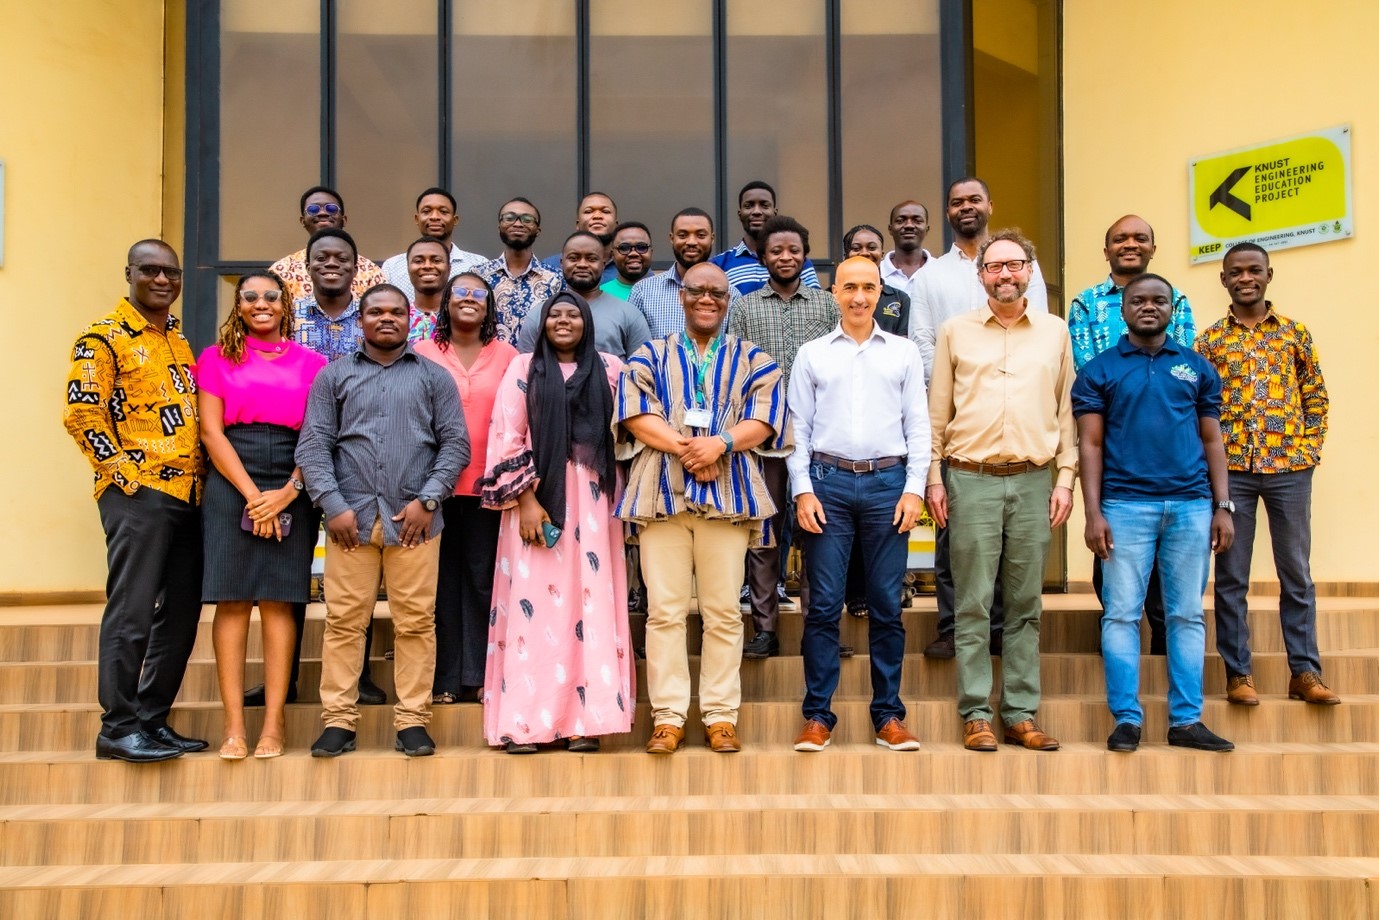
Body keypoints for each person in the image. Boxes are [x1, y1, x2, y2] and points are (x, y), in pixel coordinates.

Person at [615, 263, 791, 755]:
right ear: (683, 297)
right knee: (664, 611)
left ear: (728, 299)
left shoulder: (755, 358)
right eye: (698, 291)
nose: (707, 298)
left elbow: (767, 417)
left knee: (722, 613)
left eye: (717, 291)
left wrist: (722, 444)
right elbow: (632, 412)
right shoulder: (649, 354)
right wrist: (692, 449)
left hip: (730, 496)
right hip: (661, 498)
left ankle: (720, 715)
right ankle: (668, 717)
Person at [295, 284, 469, 758]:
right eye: (376, 312)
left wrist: (428, 500)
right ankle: (338, 721)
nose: (386, 318)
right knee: (345, 623)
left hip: (416, 523)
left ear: (410, 318)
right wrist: (333, 505)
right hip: (349, 524)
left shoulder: (433, 377)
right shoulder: (334, 377)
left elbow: (455, 446)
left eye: (396, 311)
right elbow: (313, 446)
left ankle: (412, 719)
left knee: (415, 622)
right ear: (362, 320)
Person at [926, 229, 1076, 753]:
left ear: (1029, 271)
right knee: (971, 603)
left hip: (1036, 482)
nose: (1005, 274)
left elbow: (1066, 412)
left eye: (1015, 265)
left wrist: (1066, 478)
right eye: (995, 267)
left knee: (1024, 605)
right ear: (981, 274)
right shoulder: (954, 331)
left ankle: (1018, 712)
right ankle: (975, 713)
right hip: (970, 480)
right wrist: (931, 477)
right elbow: (936, 414)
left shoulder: (1056, 332)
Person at [1073, 273, 1236, 753]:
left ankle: (1186, 721)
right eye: (1138, 301)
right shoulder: (1099, 371)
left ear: (1172, 309)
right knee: (1121, 616)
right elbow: (1090, 443)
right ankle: (1127, 718)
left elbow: (1212, 439)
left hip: (1190, 506)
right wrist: (1093, 512)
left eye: (1158, 300)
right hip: (1124, 508)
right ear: (1122, 311)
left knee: (1186, 615)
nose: (1149, 307)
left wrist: (1222, 506)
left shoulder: (1197, 368)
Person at [63, 240, 206, 762]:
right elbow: (82, 414)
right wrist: (127, 477)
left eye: (171, 271)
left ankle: (151, 719)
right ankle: (117, 727)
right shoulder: (102, 337)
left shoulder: (179, 340)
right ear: (130, 273)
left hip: (188, 495)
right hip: (139, 494)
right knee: (133, 612)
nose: (163, 279)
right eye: (151, 270)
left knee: (182, 613)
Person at [478, 291, 633, 753]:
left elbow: (625, 434)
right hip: (538, 499)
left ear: (587, 322)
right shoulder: (524, 369)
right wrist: (526, 501)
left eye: (573, 315)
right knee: (536, 610)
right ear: (541, 325)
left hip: (595, 504)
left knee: (591, 607)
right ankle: (526, 722)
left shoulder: (610, 369)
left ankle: (587, 721)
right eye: (554, 315)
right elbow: (507, 434)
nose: (563, 321)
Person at [789, 257, 929, 753]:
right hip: (827, 484)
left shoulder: (904, 353)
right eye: (850, 287)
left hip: (888, 485)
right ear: (834, 293)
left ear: (880, 293)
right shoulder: (812, 355)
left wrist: (914, 488)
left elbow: (919, 425)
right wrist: (802, 489)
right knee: (823, 607)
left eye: (869, 287)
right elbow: (797, 431)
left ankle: (889, 716)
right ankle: (817, 716)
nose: (859, 297)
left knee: (888, 606)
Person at [912, 178, 1050, 661]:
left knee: (1011, 547)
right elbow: (924, 340)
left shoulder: (1025, 272)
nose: (966, 207)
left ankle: (999, 631)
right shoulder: (931, 275)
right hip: (961, 422)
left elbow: (1044, 346)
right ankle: (954, 627)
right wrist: (962, 378)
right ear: (947, 212)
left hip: (1019, 434)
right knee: (956, 542)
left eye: (974, 199)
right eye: (956, 202)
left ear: (989, 205)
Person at [1196, 243, 1337, 706]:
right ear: (1224, 280)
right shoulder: (1211, 341)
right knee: (1232, 575)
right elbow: (1200, 409)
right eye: (1235, 272)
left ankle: (1305, 672)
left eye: (1254, 270)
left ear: (1269, 275)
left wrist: (1308, 450)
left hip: (1290, 470)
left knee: (1296, 572)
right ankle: (1239, 675)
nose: (1245, 278)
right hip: (1232, 473)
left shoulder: (1295, 334)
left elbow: (1315, 396)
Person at [197, 271, 327, 759]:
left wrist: (289, 492)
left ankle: (273, 725)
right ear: (239, 305)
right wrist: (257, 497)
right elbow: (211, 434)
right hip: (233, 479)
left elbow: (318, 435)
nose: (261, 304)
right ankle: (235, 727)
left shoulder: (313, 363)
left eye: (270, 296)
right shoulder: (216, 358)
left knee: (277, 601)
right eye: (250, 297)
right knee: (231, 602)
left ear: (285, 304)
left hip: (294, 474)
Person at [1069, 214, 1197, 656]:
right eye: (1119, 239)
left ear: (1152, 249)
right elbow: (1088, 368)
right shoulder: (1085, 303)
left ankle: (1162, 635)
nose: (1129, 244)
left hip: (1166, 443)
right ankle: (1118, 628)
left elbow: (1181, 365)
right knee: (1109, 536)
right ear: (1106, 250)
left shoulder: (1176, 299)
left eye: (1140, 238)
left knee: (1168, 548)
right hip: (1108, 437)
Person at [281, 226, 388, 707]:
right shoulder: (288, 318)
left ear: (354, 267)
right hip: (292, 459)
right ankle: (285, 680)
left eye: (341, 258)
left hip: (358, 466)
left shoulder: (368, 323)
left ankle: (357, 677)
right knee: (288, 574)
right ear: (307, 266)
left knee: (356, 578)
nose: (331, 264)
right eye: (322, 257)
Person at [726, 215, 838, 659]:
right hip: (764, 439)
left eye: (793, 250)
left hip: (819, 439)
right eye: (776, 251)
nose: (785, 257)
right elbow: (735, 372)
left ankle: (821, 628)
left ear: (804, 254)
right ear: (762, 256)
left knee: (820, 534)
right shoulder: (746, 307)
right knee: (765, 535)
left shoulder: (826, 306)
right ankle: (765, 628)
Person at [415, 273, 518, 705]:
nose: (470, 299)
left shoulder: (509, 355)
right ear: (446, 302)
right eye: (461, 292)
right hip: (431, 487)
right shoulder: (420, 352)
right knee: (439, 584)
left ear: (489, 305)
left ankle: (478, 675)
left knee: (482, 582)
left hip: (487, 488)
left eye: (479, 294)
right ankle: (444, 678)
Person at [517, 231, 652, 359]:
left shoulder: (629, 314)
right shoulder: (539, 314)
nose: (582, 264)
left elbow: (642, 371)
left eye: (591, 259)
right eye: (574, 258)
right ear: (562, 263)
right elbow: (525, 371)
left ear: (603, 264)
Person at [629, 208, 740, 339]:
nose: (691, 242)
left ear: (712, 238)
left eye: (701, 235)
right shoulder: (643, 291)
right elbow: (634, 348)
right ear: (672, 238)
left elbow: (736, 350)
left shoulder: (730, 294)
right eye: (682, 235)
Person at [269, 186, 384, 304]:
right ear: (302, 220)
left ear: (343, 220)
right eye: (313, 209)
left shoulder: (371, 272)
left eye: (331, 209)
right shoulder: (282, 270)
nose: (323, 213)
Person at [478, 198, 563, 345]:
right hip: (490, 364)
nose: (517, 223)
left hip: (538, 364)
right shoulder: (479, 276)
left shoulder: (556, 279)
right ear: (499, 227)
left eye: (527, 219)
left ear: (538, 231)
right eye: (509, 218)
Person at [710, 181, 821, 294]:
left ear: (774, 212)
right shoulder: (719, 264)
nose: (757, 211)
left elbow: (814, 303)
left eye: (764, 205)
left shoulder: (798, 262)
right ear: (740, 214)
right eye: (749, 206)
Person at [381, 187, 486, 303]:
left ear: (455, 220)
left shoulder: (479, 265)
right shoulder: (392, 267)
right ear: (417, 218)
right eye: (426, 211)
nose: (434, 217)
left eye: (443, 212)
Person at [845, 224, 911, 336]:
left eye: (872, 248)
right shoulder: (831, 297)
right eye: (856, 248)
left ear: (882, 254)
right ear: (846, 255)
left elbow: (903, 345)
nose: (864, 253)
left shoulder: (901, 299)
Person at [540, 191, 620, 284]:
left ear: (616, 225)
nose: (597, 216)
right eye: (588, 211)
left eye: (605, 211)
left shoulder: (628, 267)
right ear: (577, 224)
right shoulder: (549, 267)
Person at [879, 200, 933, 300]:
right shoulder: (877, 272)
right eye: (900, 220)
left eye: (917, 221)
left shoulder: (940, 270)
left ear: (927, 229)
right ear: (890, 229)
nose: (909, 225)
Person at [403, 236, 451, 343]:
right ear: (408, 268)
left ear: (449, 268)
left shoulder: (460, 317)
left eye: (436, 260)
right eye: (418, 261)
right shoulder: (398, 317)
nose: (427, 266)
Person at [602, 221, 654, 301]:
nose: (633, 253)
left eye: (641, 247)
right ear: (613, 255)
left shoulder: (668, 293)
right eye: (624, 248)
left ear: (651, 252)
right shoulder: (599, 294)